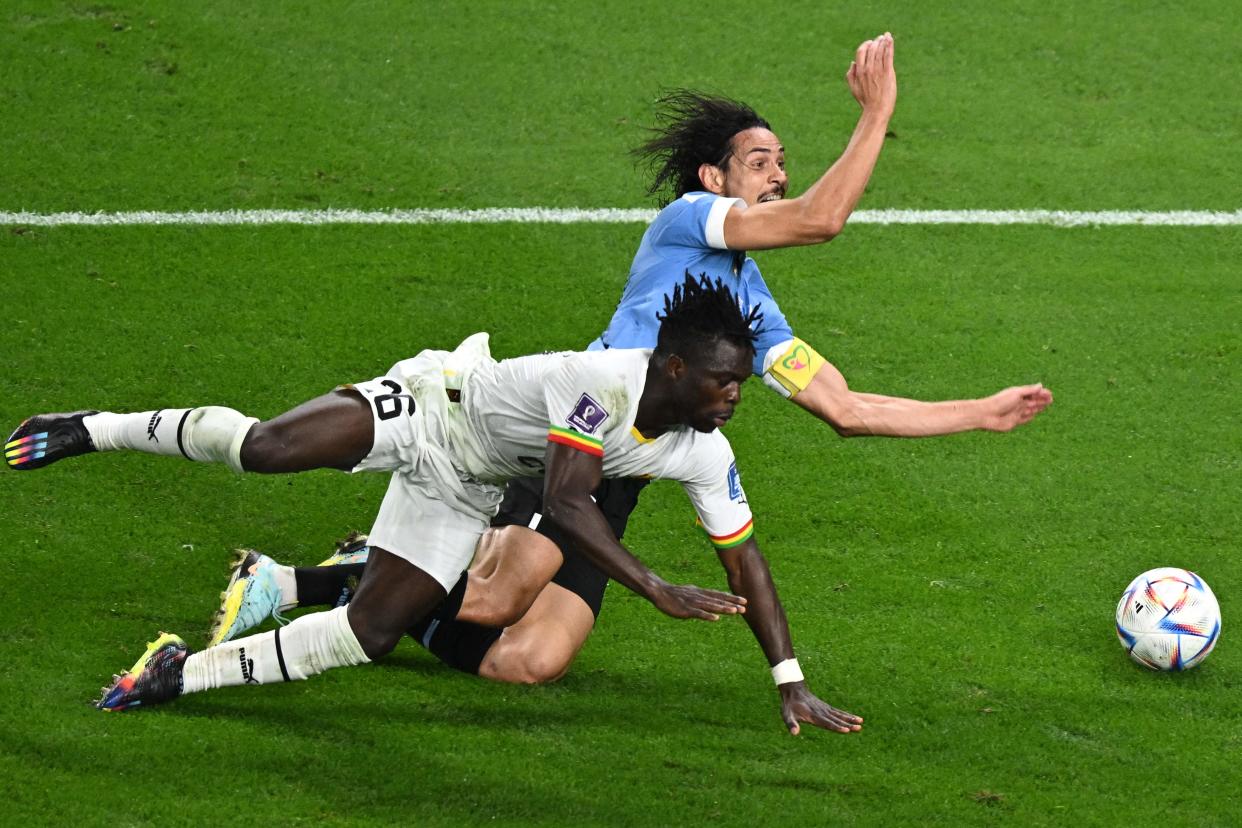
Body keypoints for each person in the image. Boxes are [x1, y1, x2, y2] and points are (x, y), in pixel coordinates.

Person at [199, 31, 1052, 710]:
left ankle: (374, 574)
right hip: (571, 441)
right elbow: (822, 221)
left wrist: (978, 412)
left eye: (782, 164)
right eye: (764, 162)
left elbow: (848, 408)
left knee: (526, 663)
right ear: (715, 178)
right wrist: (878, 114)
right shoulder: (688, 223)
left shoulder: (751, 314)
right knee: (501, 594)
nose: (781, 175)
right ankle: (299, 583)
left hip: (628, 476)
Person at [10, 276, 865, 733]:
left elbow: (744, 559)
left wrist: (788, 679)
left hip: (466, 484)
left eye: (741, 383)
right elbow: (568, 503)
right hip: (427, 406)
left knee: (370, 636)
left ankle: (175, 675)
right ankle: (97, 427)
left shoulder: (702, 449)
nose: (735, 396)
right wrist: (654, 588)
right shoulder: (602, 383)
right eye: (725, 379)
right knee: (265, 449)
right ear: (675, 368)